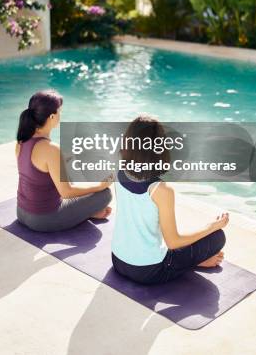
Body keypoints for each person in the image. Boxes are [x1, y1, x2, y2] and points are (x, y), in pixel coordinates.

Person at [111, 115, 228, 284]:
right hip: (149, 271)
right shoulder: (161, 190)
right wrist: (212, 226)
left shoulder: (118, 171)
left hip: (118, 260)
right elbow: (174, 242)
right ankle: (196, 263)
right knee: (217, 237)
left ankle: (195, 261)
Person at [16, 90, 112, 232]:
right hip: (44, 220)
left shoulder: (21, 141)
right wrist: (99, 186)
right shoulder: (51, 149)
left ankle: (86, 212)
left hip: (21, 213)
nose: (60, 115)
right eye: (60, 111)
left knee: (69, 167)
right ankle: (86, 213)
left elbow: (35, 170)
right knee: (105, 194)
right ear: (52, 116)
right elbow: (66, 193)